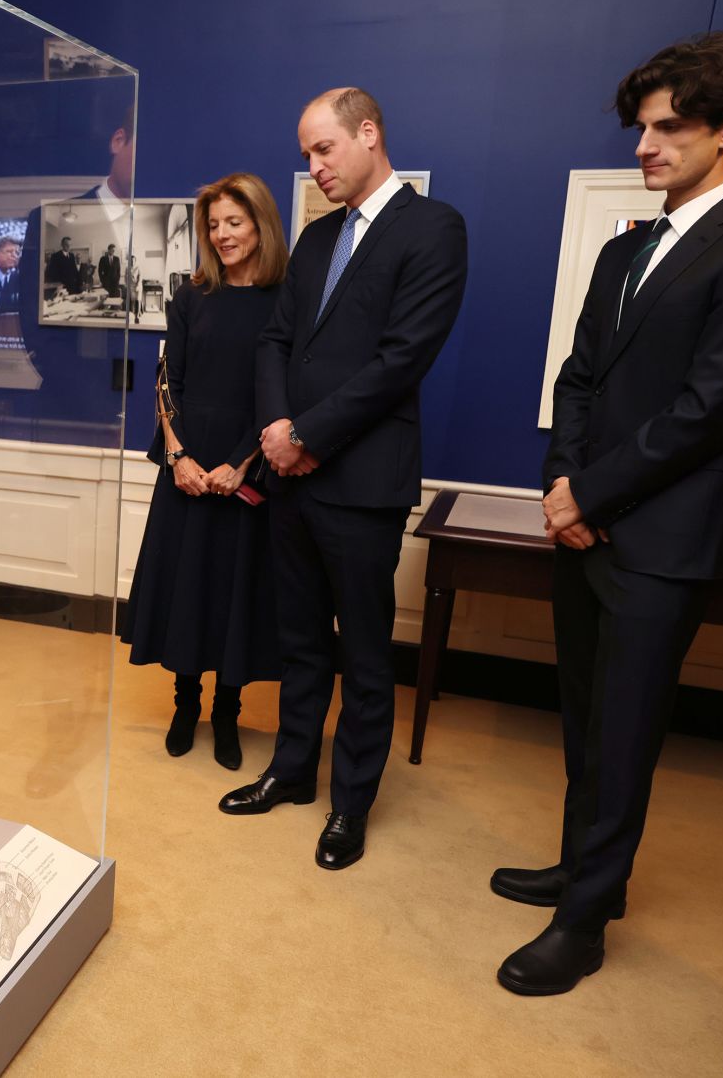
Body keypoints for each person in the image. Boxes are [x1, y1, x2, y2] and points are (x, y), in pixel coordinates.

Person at [493, 33, 723, 996]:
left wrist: (591, 494)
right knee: (587, 721)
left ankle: (586, 922)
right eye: (642, 128)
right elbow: (580, 376)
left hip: (665, 538)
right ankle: (581, 870)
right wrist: (565, 488)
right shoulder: (626, 248)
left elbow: (710, 409)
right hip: (586, 524)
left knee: (629, 733)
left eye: (670, 128)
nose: (647, 146)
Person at [218, 88, 468, 873]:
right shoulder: (317, 238)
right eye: (306, 156)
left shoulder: (435, 229)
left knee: (362, 652)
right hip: (290, 479)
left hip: (362, 483)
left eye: (324, 149)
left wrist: (308, 435)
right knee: (298, 640)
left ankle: (350, 803)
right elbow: (275, 343)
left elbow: (402, 359)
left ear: (369, 134)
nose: (315, 167)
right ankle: (293, 773)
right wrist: (276, 432)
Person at [120, 174, 289, 767]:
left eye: (233, 223)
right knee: (187, 587)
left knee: (234, 591)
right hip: (188, 463)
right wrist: (178, 457)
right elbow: (171, 380)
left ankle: (227, 713)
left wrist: (242, 463)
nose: (221, 235)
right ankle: (185, 705)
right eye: (213, 225)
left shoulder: (286, 298)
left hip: (250, 465)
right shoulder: (192, 295)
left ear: (260, 223)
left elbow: (284, 392)